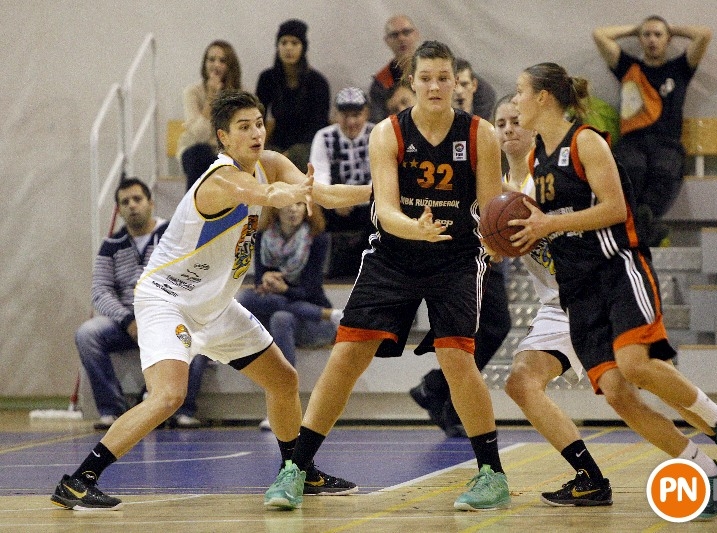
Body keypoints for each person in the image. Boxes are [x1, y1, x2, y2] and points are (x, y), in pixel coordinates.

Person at [51, 90, 371, 511]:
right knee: (168, 397)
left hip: (214, 307)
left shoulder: (271, 163)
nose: (256, 133)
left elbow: (322, 194)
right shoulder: (221, 180)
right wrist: (287, 193)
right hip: (167, 300)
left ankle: (298, 469)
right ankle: (79, 480)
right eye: (244, 127)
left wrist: (379, 191)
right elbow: (263, 195)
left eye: (259, 124)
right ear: (223, 137)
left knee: (283, 379)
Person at [264, 41, 511, 512]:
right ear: (411, 82)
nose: (436, 86)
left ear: (456, 82)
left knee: (457, 360)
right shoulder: (388, 133)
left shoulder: (480, 134)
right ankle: (296, 467)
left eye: (444, 78)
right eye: (427, 78)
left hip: (456, 257)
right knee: (346, 356)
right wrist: (416, 228)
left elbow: (489, 208)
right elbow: (388, 208)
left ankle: (491, 474)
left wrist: (495, 240)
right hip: (394, 254)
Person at [508, 62, 717, 519]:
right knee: (619, 395)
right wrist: (512, 239)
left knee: (635, 364)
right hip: (578, 292)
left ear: (543, 97)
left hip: (617, 270)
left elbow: (614, 209)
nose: (515, 99)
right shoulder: (533, 160)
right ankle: (706, 472)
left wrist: (550, 224)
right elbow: (541, 230)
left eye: (520, 91)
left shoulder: (586, 141)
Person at [485, 95, 612, 506]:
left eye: (515, 120)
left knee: (634, 389)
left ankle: (715, 434)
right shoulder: (500, 190)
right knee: (521, 382)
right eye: (500, 123)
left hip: (593, 292)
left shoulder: (550, 174)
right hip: (557, 305)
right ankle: (590, 477)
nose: (508, 128)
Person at [409, 76, 510, 439]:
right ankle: (446, 397)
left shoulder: (483, 132)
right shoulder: (433, 134)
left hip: (483, 242)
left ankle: (438, 390)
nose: (460, 89)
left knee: (490, 326)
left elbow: (495, 189)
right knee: (474, 330)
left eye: (465, 83)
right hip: (455, 245)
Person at [76, 177, 208, 430]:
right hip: (126, 323)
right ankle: (113, 410)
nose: (132, 205)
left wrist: (158, 316)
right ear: (119, 210)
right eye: (125, 202)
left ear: (151, 203)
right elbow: (100, 291)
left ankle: (182, 410)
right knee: (87, 334)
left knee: (194, 334)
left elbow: (190, 277)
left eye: (137, 199)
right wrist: (128, 320)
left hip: (167, 318)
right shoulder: (110, 245)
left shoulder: (174, 234)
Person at [593, 16, 712, 247]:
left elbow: (704, 34)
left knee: (664, 172)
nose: (652, 40)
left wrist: (671, 28)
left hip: (667, 143)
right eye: (646, 35)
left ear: (668, 39)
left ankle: (642, 226)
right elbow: (600, 34)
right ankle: (642, 230)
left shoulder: (680, 68)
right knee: (631, 170)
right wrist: (636, 29)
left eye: (658, 35)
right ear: (640, 39)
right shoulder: (628, 67)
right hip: (632, 141)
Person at [237, 202, 342, 430]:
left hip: (313, 322)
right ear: (276, 208)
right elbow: (259, 284)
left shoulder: (317, 238)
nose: (293, 209)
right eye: (287, 204)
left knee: (281, 317)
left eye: (299, 204)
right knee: (246, 300)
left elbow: (311, 290)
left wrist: (284, 289)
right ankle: (331, 315)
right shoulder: (262, 236)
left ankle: (282, 407)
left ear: (307, 208)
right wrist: (266, 281)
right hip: (287, 310)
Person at [369, 15, 495, 123]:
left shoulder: (444, 65)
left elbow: (486, 93)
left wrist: (473, 126)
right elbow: (378, 121)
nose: (401, 38)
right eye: (395, 35)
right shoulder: (381, 83)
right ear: (387, 41)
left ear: (416, 34)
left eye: (406, 32)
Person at [309, 87, 375, 279]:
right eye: (345, 115)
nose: (351, 122)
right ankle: (320, 273)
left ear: (366, 113)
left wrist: (352, 198)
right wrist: (336, 200)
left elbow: (381, 178)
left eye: (356, 115)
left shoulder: (378, 134)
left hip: (369, 203)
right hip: (333, 205)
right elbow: (319, 178)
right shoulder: (324, 137)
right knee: (311, 203)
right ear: (336, 114)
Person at [255, 19, 330, 169]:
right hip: (276, 144)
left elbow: (319, 125)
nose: (288, 48)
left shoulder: (317, 82)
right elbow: (257, 115)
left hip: (307, 147)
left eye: (294, 43)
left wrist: (292, 154)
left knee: (299, 158)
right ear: (277, 47)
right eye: (284, 43)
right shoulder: (267, 78)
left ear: (303, 48)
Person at [177, 40, 242, 190]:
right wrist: (211, 97)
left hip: (225, 152)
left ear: (230, 65)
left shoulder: (241, 95)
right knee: (201, 153)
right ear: (205, 64)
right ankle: (193, 203)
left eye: (222, 61)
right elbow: (200, 135)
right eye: (211, 59)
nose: (216, 65)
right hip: (194, 149)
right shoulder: (192, 92)